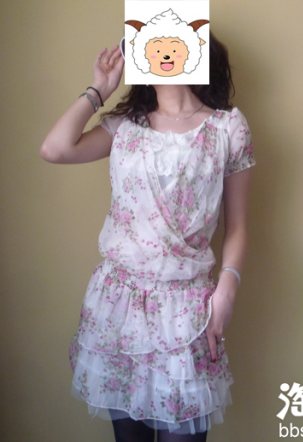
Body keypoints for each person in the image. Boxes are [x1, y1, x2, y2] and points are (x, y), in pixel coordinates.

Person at [40, 32, 255, 442]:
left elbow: (239, 225)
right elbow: (55, 149)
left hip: (186, 308)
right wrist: (99, 89)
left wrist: (227, 290)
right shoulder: (125, 125)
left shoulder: (228, 128)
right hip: (119, 303)